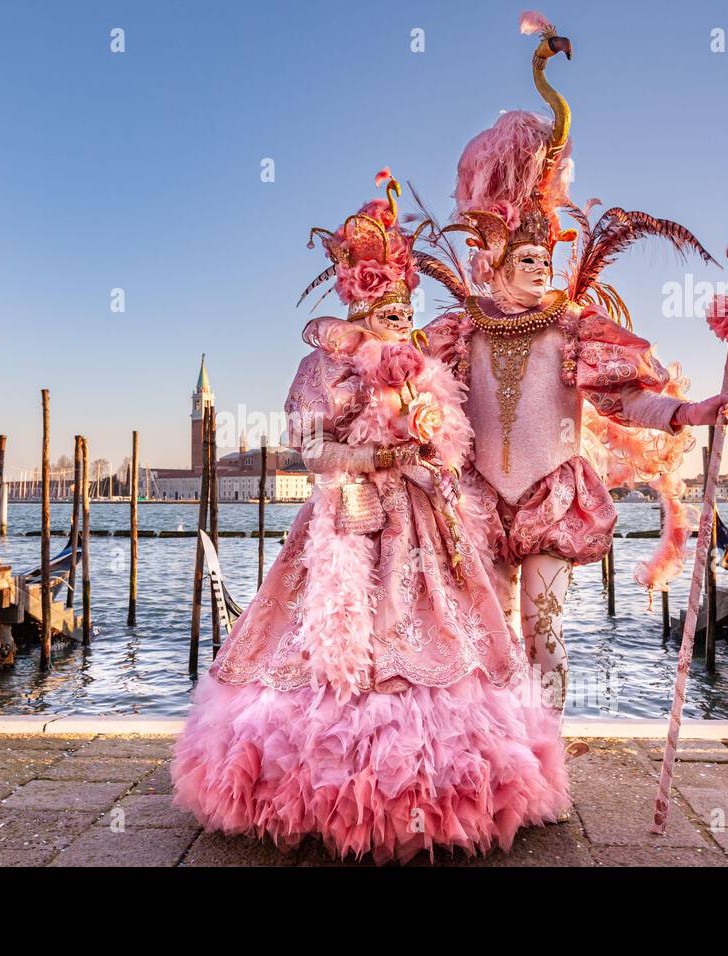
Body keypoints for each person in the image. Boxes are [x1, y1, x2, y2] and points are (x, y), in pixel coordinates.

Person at [171, 171, 568, 864]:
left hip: (422, 525)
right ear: (357, 306)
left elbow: (451, 439)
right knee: (334, 647)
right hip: (347, 525)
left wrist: (428, 447)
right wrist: (374, 456)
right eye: (384, 305)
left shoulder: (423, 366)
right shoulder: (322, 367)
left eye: (404, 306)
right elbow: (310, 449)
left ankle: (448, 787)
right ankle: (324, 787)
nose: (397, 316)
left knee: (442, 634)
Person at [422, 10, 728, 710]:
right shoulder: (458, 331)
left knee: (544, 628)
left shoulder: (573, 329)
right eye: (528, 258)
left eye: (548, 258)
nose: (543, 267)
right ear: (495, 260)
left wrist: (690, 412)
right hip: (475, 502)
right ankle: (493, 756)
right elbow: (419, 405)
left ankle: (543, 753)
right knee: (486, 636)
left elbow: (623, 401)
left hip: (549, 500)